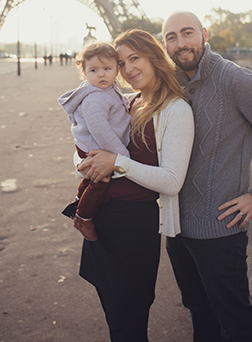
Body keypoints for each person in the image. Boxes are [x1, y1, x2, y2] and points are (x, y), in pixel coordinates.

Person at [161, 10, 252, 342]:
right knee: (200, 314)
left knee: (237, 322)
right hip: (176, 229)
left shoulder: (235, 79)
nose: (180, 43)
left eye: (187, 33)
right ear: (164, 44)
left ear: (205, 34)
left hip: (219, 233)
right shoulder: (169, 84)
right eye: (171, 37)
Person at [76, 29, 194, 342]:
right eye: (121, 62)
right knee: (117, 317)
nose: (127, 69)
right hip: (104, 221)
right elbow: (90, 143)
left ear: (154, 58)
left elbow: (171, 181)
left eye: (134, 59)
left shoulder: (176, 110)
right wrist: (84, 165)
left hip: (133, 228)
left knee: (129, 317)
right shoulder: (130, 102)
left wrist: (116, 161)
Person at [58, 41, 131, 241]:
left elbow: (119, 103)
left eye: (107, 69)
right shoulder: (94, 99)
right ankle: (83, 217)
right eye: (94, 70)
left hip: (93, 144)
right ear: (84, 72)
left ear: (117, 69)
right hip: (95, 146)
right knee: (101, 179)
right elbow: (102, 132)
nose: (101, 74)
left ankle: (79, 200)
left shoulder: (107, 89)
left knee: (90, 178)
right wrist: (122, 156)